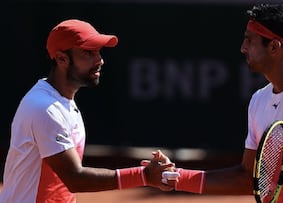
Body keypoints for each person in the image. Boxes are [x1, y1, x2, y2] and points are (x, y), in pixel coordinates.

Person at [150, 4, 283, 203]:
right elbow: (247, 177)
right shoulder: (259, 100)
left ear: (274, 47)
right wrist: (177, 176)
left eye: (250, 41)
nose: (243, 48)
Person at [0, 19, 174, 203]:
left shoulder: (62, 102)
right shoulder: (44, 108)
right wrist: (143, 176)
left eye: (98, 52)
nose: (100, 60)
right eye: (88, 53)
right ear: (62, 59)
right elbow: (75, 179)